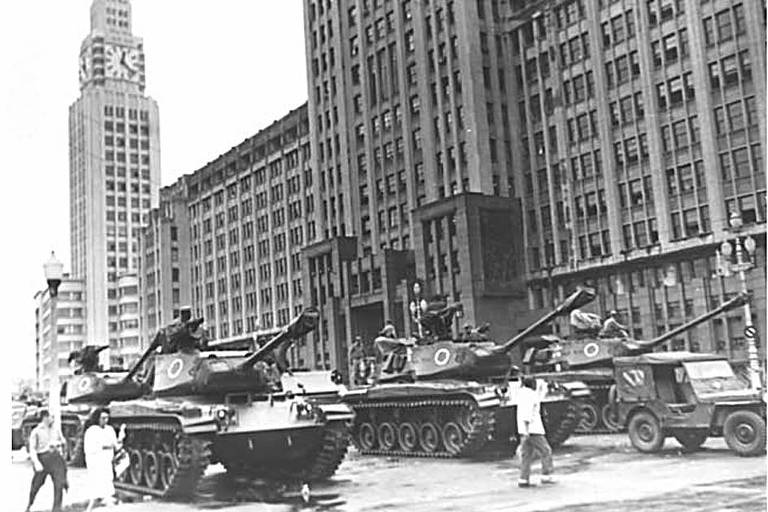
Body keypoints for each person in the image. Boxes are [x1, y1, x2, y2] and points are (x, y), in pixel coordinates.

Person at [26, 409, 68, 512]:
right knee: (36, 484)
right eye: (51, 417)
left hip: (56, 458)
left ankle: (57, 509)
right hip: (43, 459)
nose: (53, 419)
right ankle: (29, 504)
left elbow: (63, 442)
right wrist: (36, 463)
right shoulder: (36, 431)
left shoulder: (56, 429)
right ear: (45, 417)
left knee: (59, 484)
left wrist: (60, 447)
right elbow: (32, 449)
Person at [84, 408, 126, 512]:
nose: (105, 420)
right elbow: (91, 448)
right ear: (97, 418)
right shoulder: (92, 431)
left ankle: (104, 505)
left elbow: (116, 446)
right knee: (97, 487)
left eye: (107, 418)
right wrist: (108, 446)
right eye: (103, 418)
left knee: (107, 486)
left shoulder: (109, 429)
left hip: (107, 462)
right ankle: (91, 508)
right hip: (96, 462)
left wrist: (121, 437)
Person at [516, 377, 554, 488]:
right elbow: (527, 414)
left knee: (526, 455)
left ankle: (523, 479)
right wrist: (527, 431)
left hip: (524, 430)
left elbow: (538, 399)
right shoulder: (530, 396)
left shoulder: (522, 394)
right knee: (546, 450)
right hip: (533, 430)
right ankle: (546, 475)